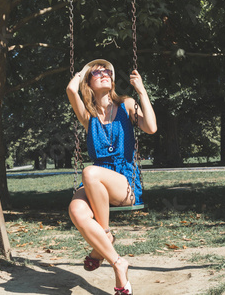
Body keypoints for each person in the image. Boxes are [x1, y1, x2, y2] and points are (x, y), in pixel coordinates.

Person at [66, 59, 157, 295]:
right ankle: (118, 262)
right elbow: (70, 90)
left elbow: (151, 127)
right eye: (97, 72)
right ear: (89, 82)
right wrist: (80, 73)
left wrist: (141, 91)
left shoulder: (127, 105)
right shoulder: (88, 116)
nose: (104, 73)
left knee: (89, 171)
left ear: (113, 80)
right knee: (76, 211)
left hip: (124, 181)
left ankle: (103, 239)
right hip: (95, 182)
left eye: (108, 71)